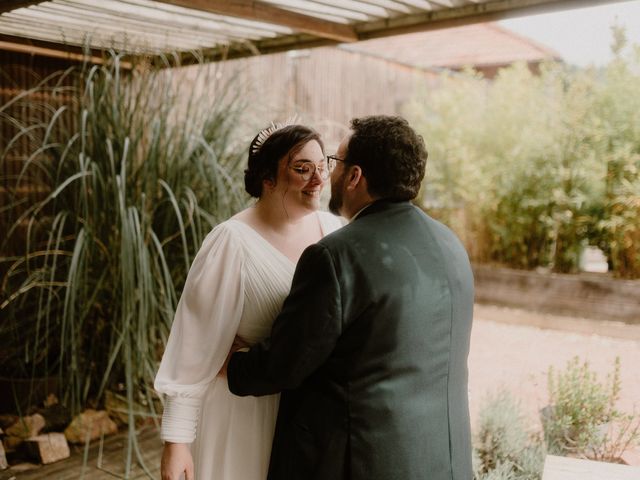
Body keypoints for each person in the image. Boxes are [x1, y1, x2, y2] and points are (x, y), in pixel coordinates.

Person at [227, 115, 474, 480]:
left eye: (335, 162)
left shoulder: (335, 255)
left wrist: (233, 364)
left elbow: (287, 361)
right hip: (442, 463)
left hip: (360, 463)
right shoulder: (450, 243)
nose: (329, 174)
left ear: (355, 176)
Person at [154, 123, 343, 480]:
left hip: (307, 413)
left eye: (323, 166)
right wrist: (176, 440)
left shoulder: (334, 231)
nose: (318, 179)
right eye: (302, 169)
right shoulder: (230, 242)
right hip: (240, 408)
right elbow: (193, 344)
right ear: (267, 178)